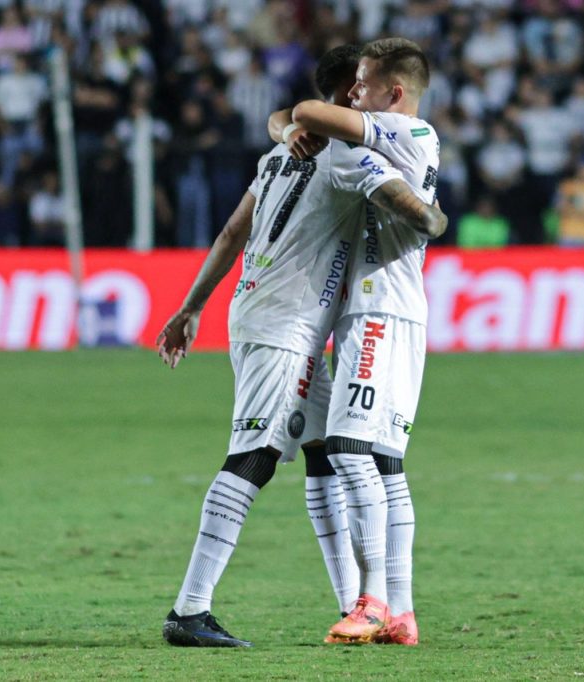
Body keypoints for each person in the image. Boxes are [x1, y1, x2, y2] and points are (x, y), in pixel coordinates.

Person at [156, 44, 446, 649]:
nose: (361, 98)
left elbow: (235, 228)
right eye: (356, 90)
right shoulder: (345, 156)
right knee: (256, 455)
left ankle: (357, 603)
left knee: (321, 453)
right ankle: (190, 609)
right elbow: (406, 205)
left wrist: (191, 305)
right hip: (287, 325)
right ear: (346, 99)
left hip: (266, 314)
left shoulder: (276, 155)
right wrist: (433, 217)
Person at [269, 37, 439, 646]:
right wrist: (286, 129)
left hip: (377, 312)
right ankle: (403, 612)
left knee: (345, 449)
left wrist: (297, 125)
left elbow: (307, 111)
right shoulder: (399, 138)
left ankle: (370, 602)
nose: (352, 94)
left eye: (363, 84)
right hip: (396, 311)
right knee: (387, 466)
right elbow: (293, 118)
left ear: (394, 94)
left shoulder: (398, 131)